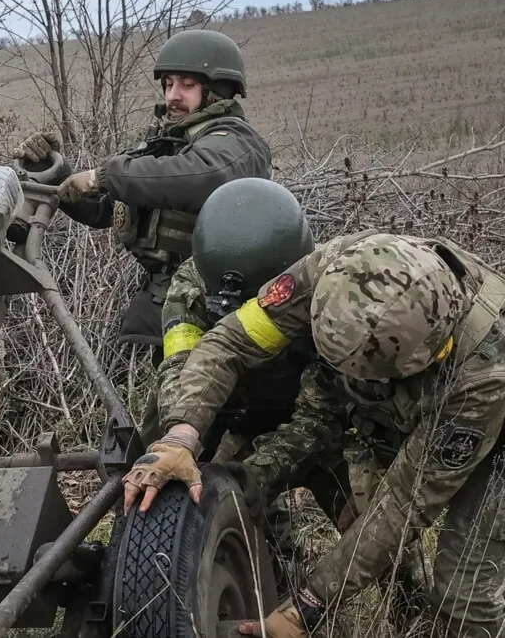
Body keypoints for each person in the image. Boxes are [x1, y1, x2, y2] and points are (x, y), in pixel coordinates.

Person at [125, 230, 505, 638]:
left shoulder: (481, 379)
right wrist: (181, 437)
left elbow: (403, 504)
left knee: (465, 591)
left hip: (492, 431)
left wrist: (307, 607)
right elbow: (233, 341)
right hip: (409, 394)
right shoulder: (340, 269)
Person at [138, 177, 350, 586]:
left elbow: (324, 412)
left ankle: (412, 611)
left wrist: (261, 471)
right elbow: (179, 371)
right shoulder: (191, 284)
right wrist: (181, 442)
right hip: (230, 408)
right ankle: (275, 576)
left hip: (319, 420)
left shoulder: (324, 286)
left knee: (369, 526)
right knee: (194, 494)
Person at [12, 29, 272, 363]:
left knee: (195, 409)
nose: (173, 95)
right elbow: (104, 210)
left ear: (217, 91)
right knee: (170, 406)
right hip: (173, 308)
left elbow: (202, 175)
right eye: (168, 84)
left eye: (186, 85)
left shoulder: (236, 143)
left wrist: (104, 176)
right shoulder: (167, 142)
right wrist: (56, 172)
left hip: (223, 317)